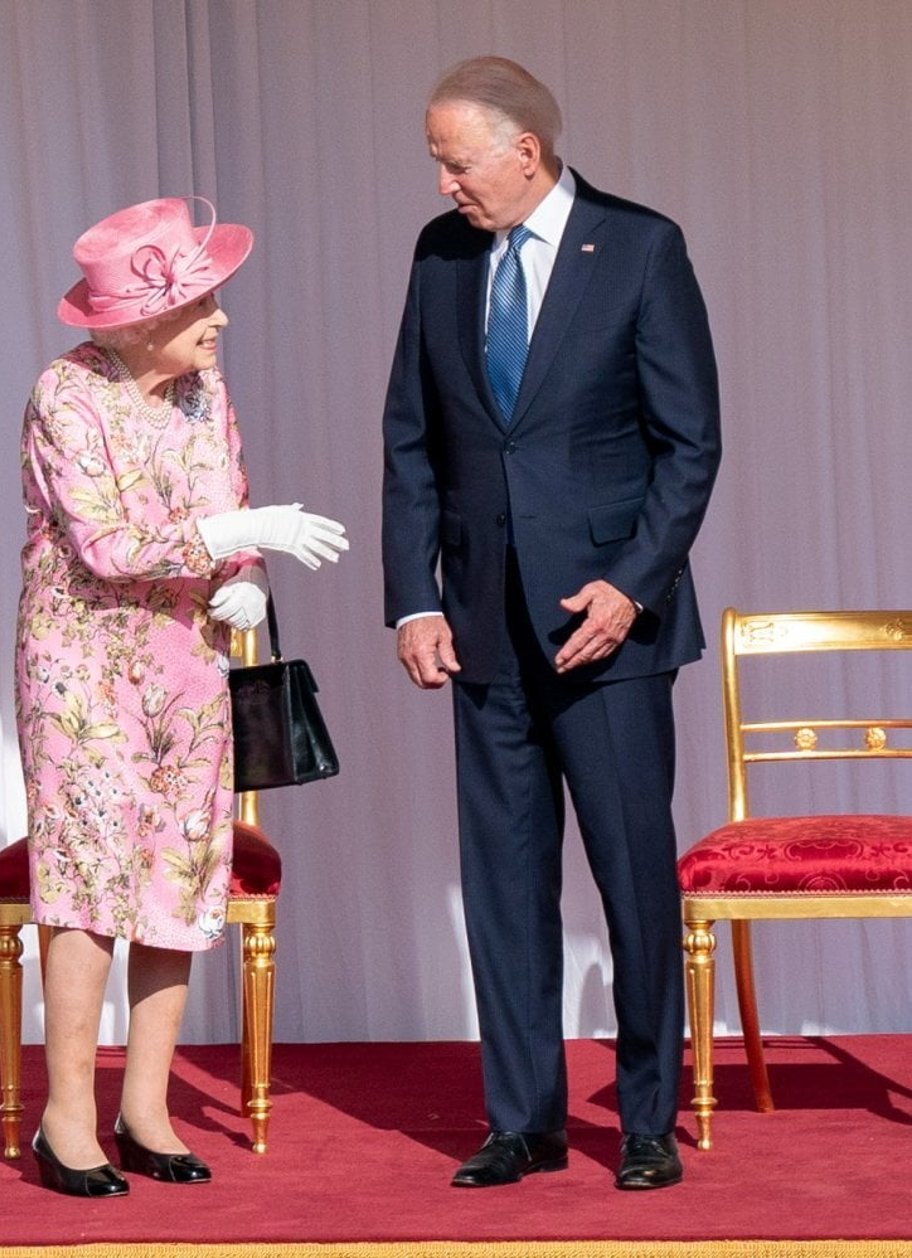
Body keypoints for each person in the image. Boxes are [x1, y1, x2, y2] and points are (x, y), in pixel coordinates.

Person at [381, 57, 720, 1191]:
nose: (441, 180)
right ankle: (520, 1120)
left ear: (524, 150)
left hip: (607, 635)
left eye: (455, 158)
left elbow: (689, 445)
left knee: (632, 878)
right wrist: (415, 594)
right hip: (480, 626)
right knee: (505, 884)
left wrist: (631, 584)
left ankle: (642, 1120)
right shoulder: (440, 257)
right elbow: (411, 441)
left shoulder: (639, 247)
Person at [15, 196, 348, 1196]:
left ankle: (145, 1107)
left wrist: (247, 566)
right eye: (204, 302)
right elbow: (108, 545)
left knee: (176, 873)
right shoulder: (64, 398)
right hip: (82, 664)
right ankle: (66, 1117)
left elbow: (225, 495)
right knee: (84, 877)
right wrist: (237, 531)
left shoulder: (206, 389)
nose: (221, 320)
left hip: (187, 659)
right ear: (142, 317)